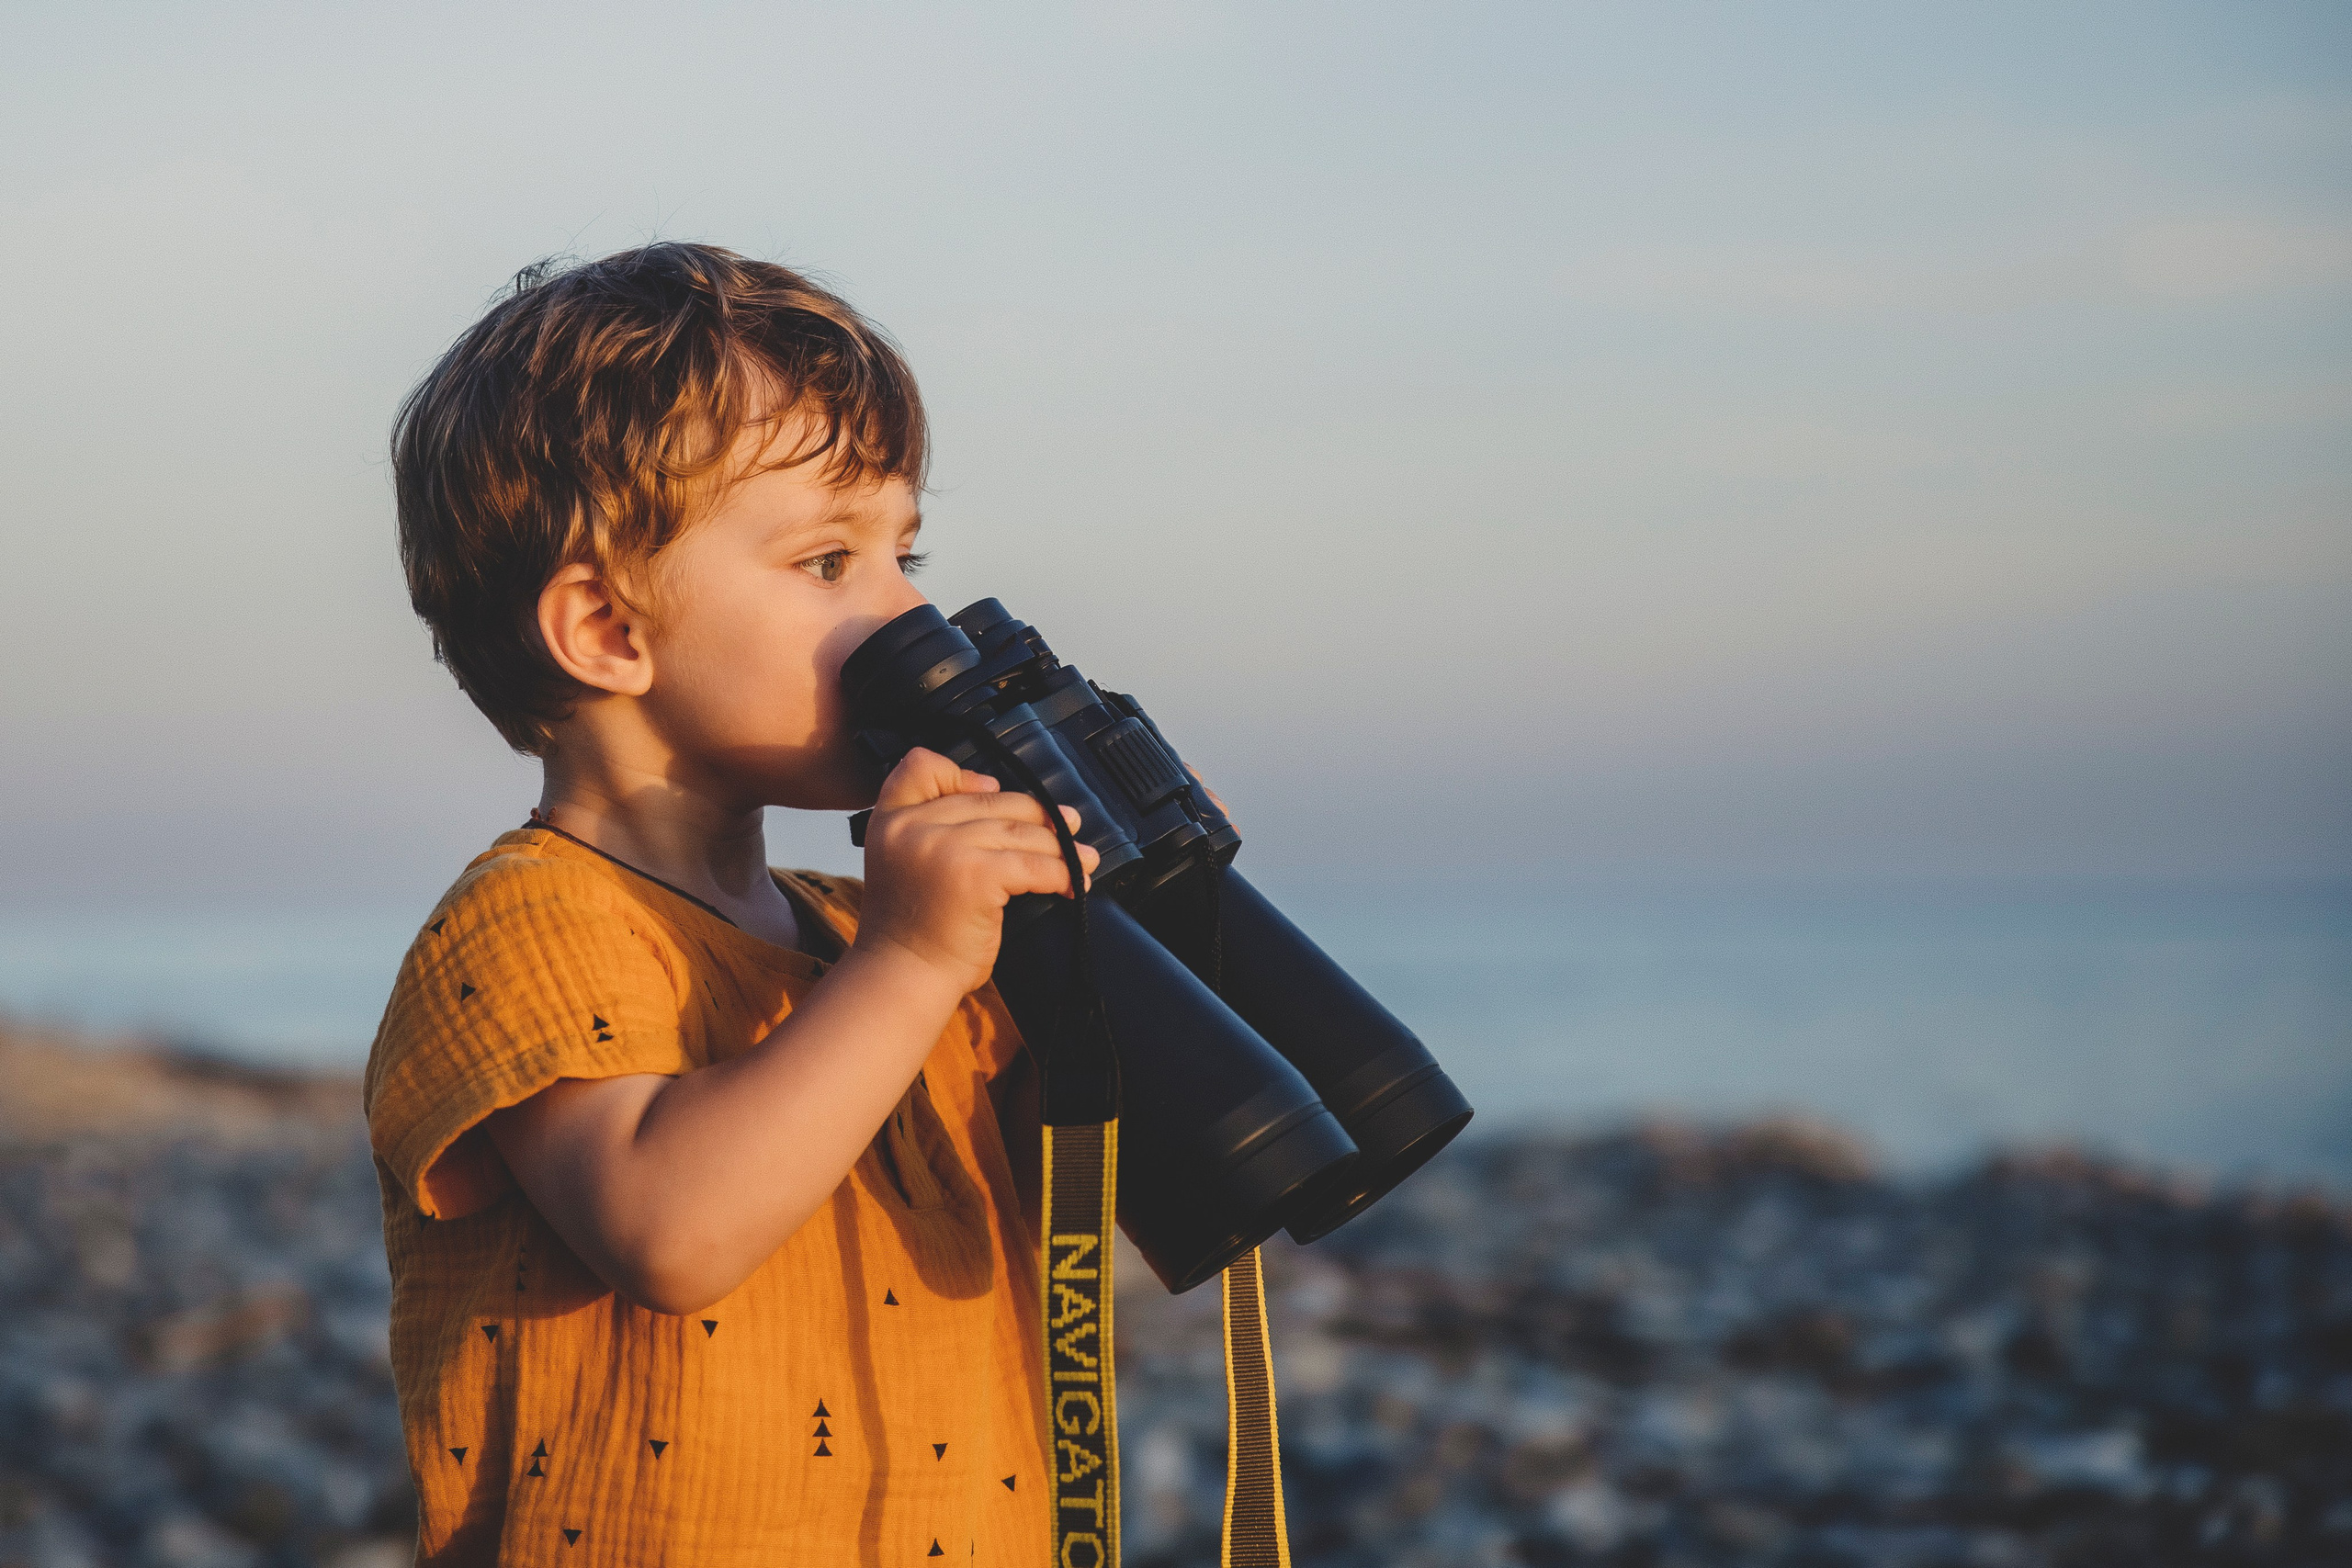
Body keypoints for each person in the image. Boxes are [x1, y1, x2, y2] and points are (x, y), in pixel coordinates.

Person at [365, 242, 1097, 1565]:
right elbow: (672, 1229)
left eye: (905, 553)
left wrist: (1125, 922)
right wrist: (918, 959)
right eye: (831, 562)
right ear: (605, 631)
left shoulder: (863, 931)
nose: (910, 618)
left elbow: (1088, 1198)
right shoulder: (533, 924)